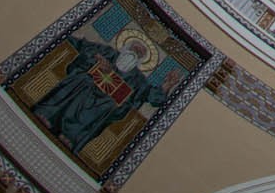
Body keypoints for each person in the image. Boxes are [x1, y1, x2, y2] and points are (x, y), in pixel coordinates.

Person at [29, 37, 174, 155]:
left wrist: (167, 85)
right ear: (126, 47)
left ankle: (70, 136)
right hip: (87, 83)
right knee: (81, 81)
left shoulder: (138, 78)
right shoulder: (107, 52)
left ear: (141, 60)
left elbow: (155, 98)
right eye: (134, 48)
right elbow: (82, 45)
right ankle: (48, 115)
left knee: (107, 106)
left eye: (140, 53)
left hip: (106, 102)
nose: (135, 52)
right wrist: (97, 58)